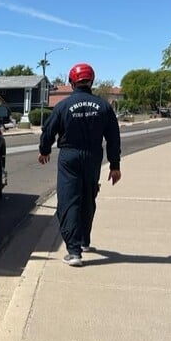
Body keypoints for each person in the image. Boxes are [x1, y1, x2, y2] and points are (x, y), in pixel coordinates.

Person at [38, 63, 121, 267]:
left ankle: (74, 251)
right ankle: (84, 241)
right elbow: (113, 137)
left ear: (72, 82)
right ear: (91, 80)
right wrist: (114, 165)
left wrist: (45, 150)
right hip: (93, 157)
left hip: (69, 157)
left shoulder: (63, 106)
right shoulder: (103, 106)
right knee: (88, 197)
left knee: (69, 202)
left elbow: (48, 130)